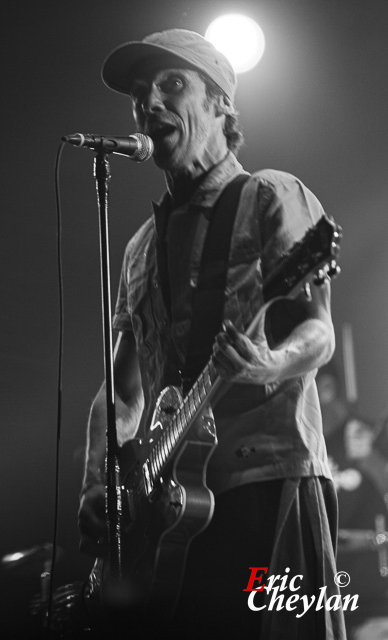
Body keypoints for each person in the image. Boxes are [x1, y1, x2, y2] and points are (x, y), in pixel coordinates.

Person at [77, 28, 347, 639]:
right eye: (140, 94)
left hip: (268, 480)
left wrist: (269, 364)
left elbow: (318, 331)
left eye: (173, 85)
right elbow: (122, 393)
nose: (150, 103)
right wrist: (100, 485)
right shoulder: (139, 249)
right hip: (167, 512)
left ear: (223, 103)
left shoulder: (270, 195)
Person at [316, 363, 388, 639]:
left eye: (326, 389)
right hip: (326, 598)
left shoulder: (367, 436)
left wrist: (369, 458)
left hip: (375, 597)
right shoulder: (303, 448)